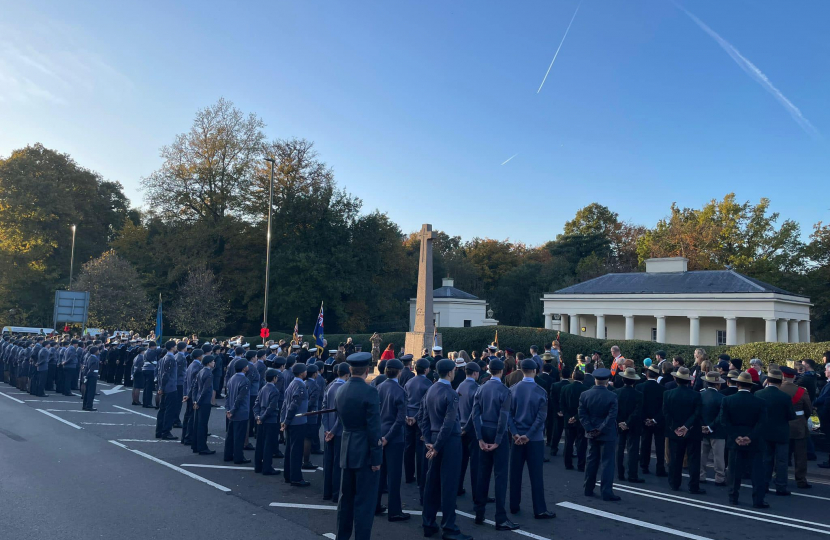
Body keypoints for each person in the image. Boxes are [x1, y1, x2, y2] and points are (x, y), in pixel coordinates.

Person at [334, 352, 382, 540]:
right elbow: (374, 428)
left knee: (345, 500)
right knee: (364, 503)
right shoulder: (370, 392)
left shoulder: (341, 389)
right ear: (367, 370)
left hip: (347, 447)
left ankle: (342, 536)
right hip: (365, 451)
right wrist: (377, 457)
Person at [471, 358, 519, 531]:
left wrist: (480, 438)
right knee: (500, 476)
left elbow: (475, 415)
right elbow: (503, 417)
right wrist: (498, 440)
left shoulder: (480, 388)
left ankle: (479, 512)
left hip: (483, 431)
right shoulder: (505, 391)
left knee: (482, 474)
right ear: (502, 371)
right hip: (497, 433)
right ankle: (500, 518)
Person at [509, 359, 555, 518]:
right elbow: (541, 417)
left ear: (521, 370)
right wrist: (528, 435)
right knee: (536, 475)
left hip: (516, 438)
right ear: (535, 371)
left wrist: (515, 433)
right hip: (534, 439)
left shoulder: (513, 389)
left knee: (515, 473)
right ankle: (540, 509)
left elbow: (508, 415)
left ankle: (513, 505)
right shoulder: (540, 391)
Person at [718, 372, 768, 508]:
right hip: (754, 441)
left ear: (737, 384)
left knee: (734, 471)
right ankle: (758, 500)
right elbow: (762, 423)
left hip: (735, 441)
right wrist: (750, 437)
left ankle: (733, 497)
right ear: (750, 386)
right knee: (757, 472)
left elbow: (724, 421)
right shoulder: (760, 402)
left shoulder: (727, 400)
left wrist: (736, 436)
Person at [373, 358, 409, 521]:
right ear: (399, 372)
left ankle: (376, 504)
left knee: (380, 473)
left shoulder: (378, 387)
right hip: (393, 438)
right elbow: (400, 419)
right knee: (394, 476)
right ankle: (394, 510)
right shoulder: (400, 390)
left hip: (380, 433)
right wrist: (388, 437)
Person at [578, 368, 620, 501]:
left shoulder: (585, 395)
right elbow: (612, 416)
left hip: (591, 433)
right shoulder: (612, 396)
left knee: (591, 461)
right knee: (607, 463)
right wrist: (601, 429)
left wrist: (590, 428)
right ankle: (606, 492)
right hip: (607, 434)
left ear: (595, 380)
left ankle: (588, 488)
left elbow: (582, 414)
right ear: (607, 381)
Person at [662, 367, 704, 494]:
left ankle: (674, 483)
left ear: (675, 379)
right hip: (692, 431)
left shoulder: (668, 394)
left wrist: (675, 427)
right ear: (689, 381)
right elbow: (697, 413)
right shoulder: (696, 395)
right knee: (694, 460)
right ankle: (693, 486)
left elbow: (666, 413)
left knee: (675, 459)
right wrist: (686, 426)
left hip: (674, 431)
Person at [755, 369, 796, 496]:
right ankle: (781, 487)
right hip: (781, 433)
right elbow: (791, 416)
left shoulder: (758, 394)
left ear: (767, 380)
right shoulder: (785, 397)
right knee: (782, 461)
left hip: (764, 432)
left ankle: (765, 484)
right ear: (780, 381)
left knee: (766, 459)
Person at [779, 366, 812, 488]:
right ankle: (801, 480)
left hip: (782, 425)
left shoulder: (778, 389)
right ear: (794, 377)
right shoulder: (802, 391)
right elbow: (808, 409)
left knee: (781, 454)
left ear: (783, 376)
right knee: (800, 456)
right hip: (798, 426)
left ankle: (780, 477)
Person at [404, 358, 432, 498]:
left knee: (408, 447)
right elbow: (425, 403)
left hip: (408, 417)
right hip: (420, 419)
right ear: (426, 369)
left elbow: (405, 400)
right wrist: (416, 417)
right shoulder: (428, 383)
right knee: (421, 450)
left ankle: (409, 475)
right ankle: (421, 478)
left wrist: (407, 416)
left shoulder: (409, 382)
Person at [323, 363, 349, 502]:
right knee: (338, 464)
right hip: (338, 432)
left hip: (328, 430)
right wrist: (332, 431)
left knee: (328, 462)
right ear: (346, 374)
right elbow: (341, 414)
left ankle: (326, 491)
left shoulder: (330, 387)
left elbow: (324, 409)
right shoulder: (343, 389)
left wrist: (327, 429)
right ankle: (335, 493)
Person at [281, 362, 309, 486]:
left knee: (289, 449)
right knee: (296, 451)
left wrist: (284, 420)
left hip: (290, 421)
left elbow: (285, 405)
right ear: (302, 373)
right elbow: (294, 405)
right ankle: (296, 477)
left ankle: (288, 475)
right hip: (297, 421)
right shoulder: (300, 386)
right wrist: (287, 420)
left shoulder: (292, 384)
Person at [614, 367, 643, 483]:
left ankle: (620, 473)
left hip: (619, 424)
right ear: (634, 381)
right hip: (633, 425)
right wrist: (627, 422)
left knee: (619, 448)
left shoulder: (616, 393)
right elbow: (637, 411)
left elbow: (614, 409)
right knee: (633, 450)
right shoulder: (639, 394)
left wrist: (621, 422)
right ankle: (632, 474)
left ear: (623, 379)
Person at [456, 362, 480, 499]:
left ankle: (458, 486)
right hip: (471, 429)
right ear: (476, 373)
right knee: (475, 463)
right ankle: (477, 493)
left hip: (460, 427)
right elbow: (475, 412)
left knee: (461, 460)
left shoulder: (460, 386)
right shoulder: (477, 388)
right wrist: (467, 428)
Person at [699, 371, 726, 486]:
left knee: (702, 455)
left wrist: (703, 425)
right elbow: (721, 415)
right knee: (718, 457)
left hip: (701, 430)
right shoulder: (722, 398)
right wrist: (711, 426)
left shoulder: (700, 395)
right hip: (717, 431)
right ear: (718, 384)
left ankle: (701, 475)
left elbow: (697, 413)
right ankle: (719, 478)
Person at [253, 368, 282, 475]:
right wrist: (263, 418)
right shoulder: (274, 390)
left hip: (261, 419)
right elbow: (272, 407)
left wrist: (258, 417)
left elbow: (256, 405)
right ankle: (267, 467)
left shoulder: (262, 388)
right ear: (274, 378)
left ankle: (258, 466)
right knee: (268, 444)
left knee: (259, 443)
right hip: (270, 420)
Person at [560, 369, 588, 471]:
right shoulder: (586, 389)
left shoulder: (565, 388)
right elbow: (585, 407)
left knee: (568, 442)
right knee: (581, 443)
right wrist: (576, 417)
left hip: (568, 419)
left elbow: (562, 405)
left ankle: (568, 464)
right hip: (581, 420)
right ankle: (581, 465)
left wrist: (569, 418)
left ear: (573, 376)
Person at [224, 359, 251, 464]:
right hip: (240, 411)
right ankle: (238, 457)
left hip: (231, 410)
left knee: (230, 435)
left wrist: (228, 409)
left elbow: (228, 396)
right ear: (244, 368)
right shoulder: (245, 381)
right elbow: (240, 398)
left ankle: (228, 455)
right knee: (239, 436)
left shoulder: (231, 379)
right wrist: (233, 410)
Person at [192, 353, 215, 455]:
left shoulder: (201, 371)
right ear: (209, 363)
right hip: (204, 402)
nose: (214, 363)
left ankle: (196, 445)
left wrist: (195, 400)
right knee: (203, 425)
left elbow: (195, 387)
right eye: (213, 361)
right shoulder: (209, 373)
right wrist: (199, 401)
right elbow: (206, 389)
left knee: (197, 424)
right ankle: (202, 447)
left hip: (198, 400)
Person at [155, 341, 179, 440]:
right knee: (169, 410)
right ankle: (166, 431)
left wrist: (160, 387)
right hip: (170, 387)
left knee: (162, 410)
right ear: (172, 347)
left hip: (165, 387)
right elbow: (166, 374)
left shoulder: (163, 358)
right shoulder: (170, 359)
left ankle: (159, 431)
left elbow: (159, 373)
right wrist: (162, 387)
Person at [181, 349, 203, 446]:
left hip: (189, 392)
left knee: (187, 416)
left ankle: (184, 436)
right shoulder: (198, 366)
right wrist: (189, 395)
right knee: (191, 417)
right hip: (193, 394)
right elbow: (195, 383)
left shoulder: (191, 365)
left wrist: (185, 393)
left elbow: (186, 380)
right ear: (199, 356)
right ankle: (188, 437)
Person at [548, 365, 570, 456]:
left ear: (561, 375)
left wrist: (557, 410)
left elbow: (552, 399)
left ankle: (553, 448)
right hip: (568, 413)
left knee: (556, 431)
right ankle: (568, 451)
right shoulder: (570, 386)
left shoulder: (555, 385)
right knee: (569, 434)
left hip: (557, 413)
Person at [81, 346, 100, 411]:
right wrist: (87, 376)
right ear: (95, 351)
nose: (98, 351)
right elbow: (91, 369)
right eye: (97, 350)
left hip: (89, 375)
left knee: (87, 391)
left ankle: (85, 405)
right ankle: (89, 406)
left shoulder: (90, 357)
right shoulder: (94, 358)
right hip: (92, 376)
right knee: (91, 392)